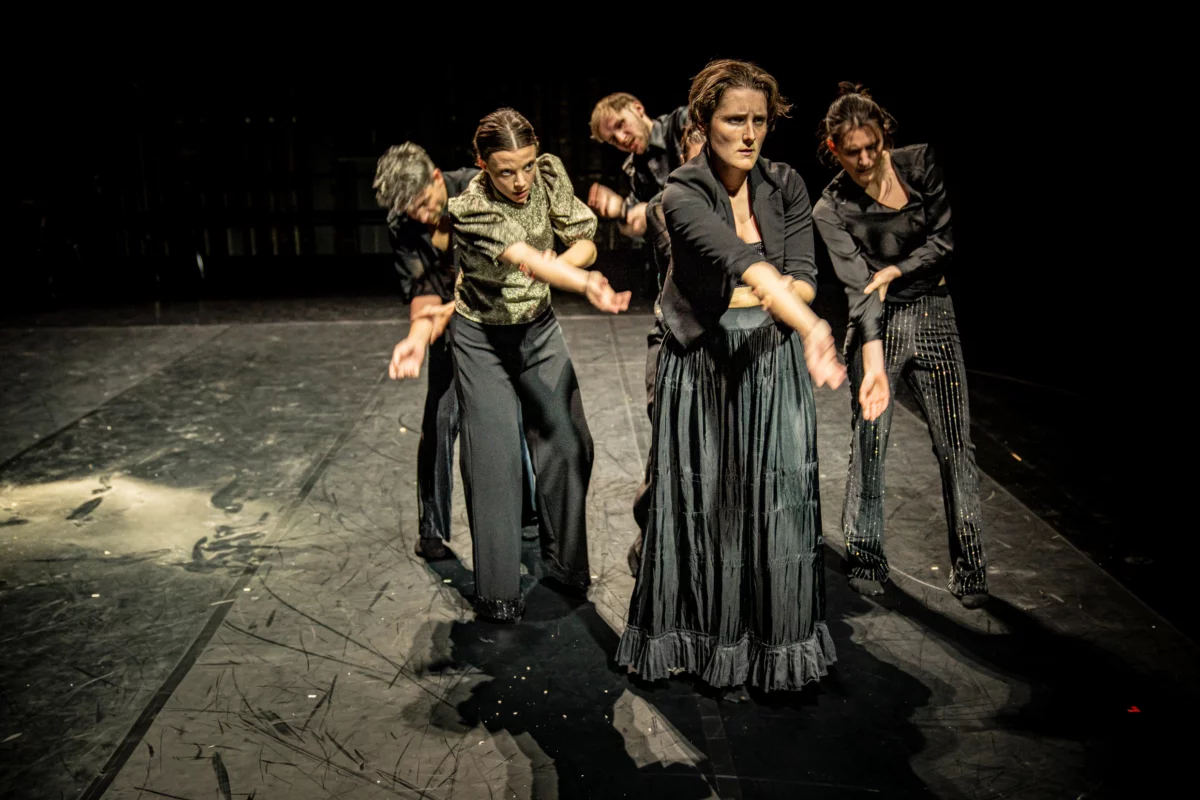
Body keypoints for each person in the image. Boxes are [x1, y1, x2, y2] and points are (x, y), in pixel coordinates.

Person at [617, 60, 869, 692]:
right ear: (704, 123)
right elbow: (744, 262)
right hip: (701, 362)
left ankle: (772, 647)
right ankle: (701, 642)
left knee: (774, 506)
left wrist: (790, 305)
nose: (750, 133)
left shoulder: (784, 184)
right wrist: (809, 325)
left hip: (769, 360)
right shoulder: (681, 192)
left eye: (760, 120)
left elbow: (803, 271)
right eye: (735, 120)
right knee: (707, 508)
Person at [447, 108, 630, 623]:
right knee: (496, 464)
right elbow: (526, 256)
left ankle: (565, 563)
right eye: (506, 171)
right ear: (482, 164)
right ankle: (499, 592)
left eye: (526, 165)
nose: (521, 180)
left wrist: (570, 268)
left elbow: (585, 241)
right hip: (482, 338)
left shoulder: (548, 175)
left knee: (571, 444)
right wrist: (582, 282)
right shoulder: (471, 208)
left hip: (538, 329)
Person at [812, 82, 988, 609]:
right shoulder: (831, 207)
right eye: (852, 152)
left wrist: (897, 269)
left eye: (872, 147)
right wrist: (871, 351)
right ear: (833, 149)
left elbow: (944, 241)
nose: (865, 160)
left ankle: (972, 565)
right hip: (876, 322)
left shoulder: (919, 164)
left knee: (956, 444)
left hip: (935, 312)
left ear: (885, 137)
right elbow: (856, 286)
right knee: (870, 444)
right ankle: (866, 556)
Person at [372, 144, 537, 561]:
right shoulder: (404, 223)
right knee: (440, 418)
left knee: (509, 414)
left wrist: (445, 314)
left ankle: (529, 516)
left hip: (500, 315)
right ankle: (431, 528)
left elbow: (508, 270)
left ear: (436, 178)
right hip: (449, 323)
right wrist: (415, 338)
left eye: (425, 205)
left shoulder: (479, 192)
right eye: (412, 212)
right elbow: (423, 290)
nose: (422, 216)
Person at [627, 122, 705, 576]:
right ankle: (650, 545)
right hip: (675, 337)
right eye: (694, 160)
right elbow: (689, 269)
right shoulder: (663, 207)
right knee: (666, 444)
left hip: (721, 340)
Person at [587, 93, 689, 238]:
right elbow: (639, 222)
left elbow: (710, 176)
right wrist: (620, 209)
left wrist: (653, 209)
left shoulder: (682, 123)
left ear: (638, 109)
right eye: (613, 140)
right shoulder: (633, 170)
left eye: (620, 125)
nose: (622, 138)